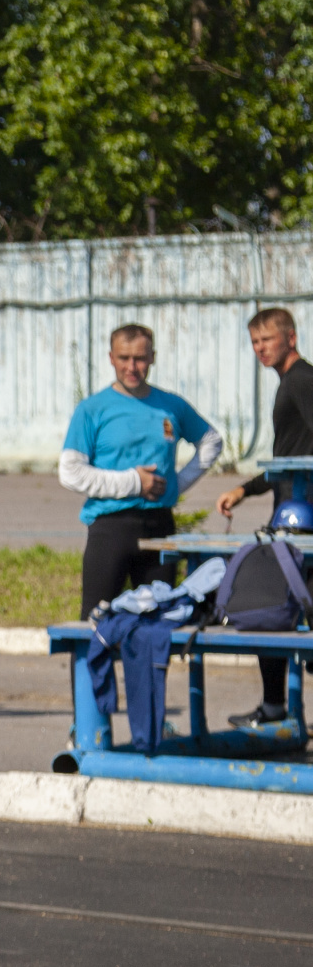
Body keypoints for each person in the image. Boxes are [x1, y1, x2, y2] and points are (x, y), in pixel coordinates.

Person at [62, 323, 222, 617]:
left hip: (160, 528)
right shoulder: (92, 409)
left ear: (153, 358)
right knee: (94, 623)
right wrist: (134, 482)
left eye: (140, 358)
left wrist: (175, 483)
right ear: (111, 358)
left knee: (158, 624)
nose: (132, 367)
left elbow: (211, 442)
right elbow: (71, 472)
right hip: (110, 528)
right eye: (124, 358)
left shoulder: (170, 405)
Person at [215, 308, 311, 728]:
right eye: (255, 342)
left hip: (302, 518)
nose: (261, 349)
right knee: (274, 608)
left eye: (267, 340)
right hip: (289, 512)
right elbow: (287, 458)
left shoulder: (303, 380)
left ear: (291, 337)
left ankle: (276, 708)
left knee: (281, 605)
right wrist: (245, 489)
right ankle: (275, 708)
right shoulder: (289, 382)